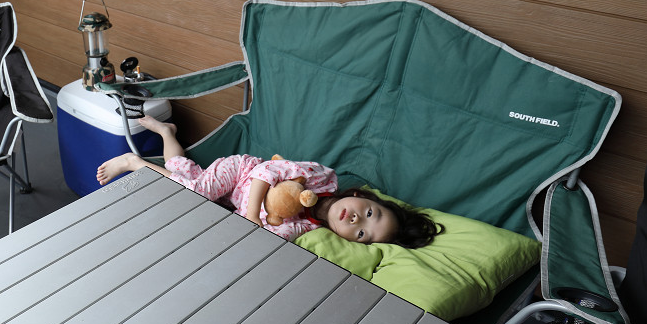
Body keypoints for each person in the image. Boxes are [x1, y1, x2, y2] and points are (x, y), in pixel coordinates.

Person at [97, 115, 442, 247]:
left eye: (362, 233)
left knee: (183, 171)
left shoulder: (309, 229)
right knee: (193, 191)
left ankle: (165, 132)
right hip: (241, 171)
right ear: (365, 197)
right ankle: (135, 162)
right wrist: (250, 215)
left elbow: (272, 234)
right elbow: (268, 173)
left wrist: (251, 226)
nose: (356, 220)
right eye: (369, 213)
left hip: (232, 200)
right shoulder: (323, 179)